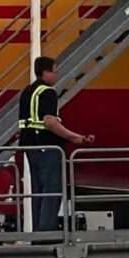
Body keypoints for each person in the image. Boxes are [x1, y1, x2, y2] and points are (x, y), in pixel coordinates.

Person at [16, 55, 92, 235]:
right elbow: (50, 122)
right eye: (54, 72)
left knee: (38, 191)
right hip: (47, 147)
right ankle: (47, 231)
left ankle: (38, 232)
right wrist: (74, 137)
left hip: (30, 147)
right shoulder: (48, 92)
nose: (57, 75)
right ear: (45, 72)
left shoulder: (27, 91)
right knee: (52, 189)